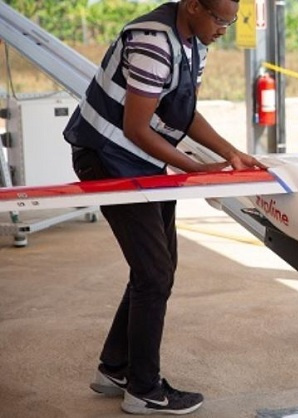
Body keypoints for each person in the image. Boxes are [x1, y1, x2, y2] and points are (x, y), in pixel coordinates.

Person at [63, 0, 260, 415]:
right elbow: (136, 127)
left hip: (146, 158)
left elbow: (183, 114)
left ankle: (116, 367)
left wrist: (231, 153)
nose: (224, 29)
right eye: (220, 19)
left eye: (231, 21)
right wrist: (195, 169)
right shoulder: (152, 39)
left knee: (158, 266)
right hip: (108, 156)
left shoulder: (196, 41)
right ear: (192, 6)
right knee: (154, 274)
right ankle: (144, 390)